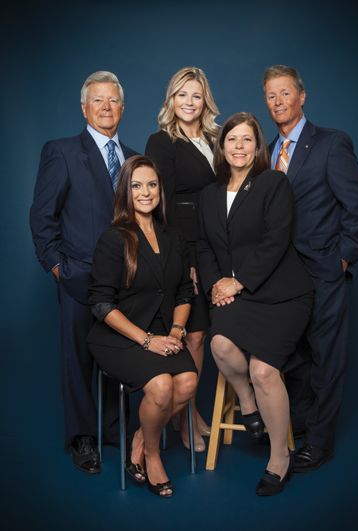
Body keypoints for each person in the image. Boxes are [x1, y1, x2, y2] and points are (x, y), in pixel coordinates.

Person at [197, 112, 314, 496]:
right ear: (222, 146)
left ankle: (279, 458)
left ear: (257, 146)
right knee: (220, 344)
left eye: (247, 140)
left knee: (264, 370)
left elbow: (276, 240)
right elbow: (205, 246)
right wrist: (218, 284)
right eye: (232, 140)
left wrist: (239, 281)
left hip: (281, 294)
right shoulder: (209, 193)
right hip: (237, 293)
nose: (239, 147)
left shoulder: (273, 183)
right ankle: (248, 404)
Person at [263, 64, 358, 472]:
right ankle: (300, 426)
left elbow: (357, 205)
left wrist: (342, 257)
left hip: (323, 270)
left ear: (302, 96)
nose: (278, 102)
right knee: (293, 355)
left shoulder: (330, 143)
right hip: (281, 278)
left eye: (285, 93)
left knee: (326, 356)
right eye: (271, 95)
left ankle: (319, 443)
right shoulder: (266, 151)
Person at [30, 71, 137, 474]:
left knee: (119, 357)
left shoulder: (132, 155)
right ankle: (83, 439)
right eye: (98, 100)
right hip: (78, 277)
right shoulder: (61, 151)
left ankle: (114, 431)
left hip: (125, 281)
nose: (106, 107)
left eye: (113, 101)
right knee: (77, 359)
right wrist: (58, 267)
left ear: (122, 109)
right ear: (84, 107)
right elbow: (42, 217)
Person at [87, 155, 197, 497]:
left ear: (160, 190)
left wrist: (177, 331)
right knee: (162, 386)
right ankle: (150, 455)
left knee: (189, 382)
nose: (145, 192)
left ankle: (138, 438)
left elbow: (183, 290)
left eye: (151, 184)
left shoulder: (172, 236)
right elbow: (101, 304)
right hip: (118, 336)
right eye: (136, 186)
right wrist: (147, 340)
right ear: (125, 192)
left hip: (164, 331)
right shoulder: (114, 238)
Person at [145, 66, 219, 452]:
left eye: (195, 95)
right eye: (181, 95)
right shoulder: (162, 142)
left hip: (217, 245)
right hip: (185, 247)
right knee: (190, 332)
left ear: (205, 99)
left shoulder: (215, 138)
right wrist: (182, 259)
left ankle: (188, 412)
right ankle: (184, 420)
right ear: (170, 100)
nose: (188, 102)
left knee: (203, 335)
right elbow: (162, 206)